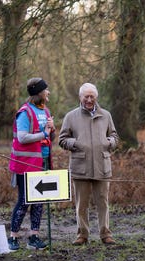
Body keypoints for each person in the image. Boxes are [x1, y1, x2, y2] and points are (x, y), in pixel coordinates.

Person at [59, 83, 119, 245]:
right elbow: (62, 139)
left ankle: (105, 234)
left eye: (92, 96)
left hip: (102, 165)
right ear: (80, 98)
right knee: (81, 204)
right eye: (86, 96)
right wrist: (75, 143)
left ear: (96, 97)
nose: (89, 99)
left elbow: (114, 136)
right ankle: (82, 235)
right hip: (81, 166)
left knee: (103, 202)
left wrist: (110, 142)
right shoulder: (70, 117)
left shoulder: (106, 115)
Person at [7, 77, 54, 251]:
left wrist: (51, 129)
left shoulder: (46, 111)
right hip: (25, 164)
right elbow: (22, 137)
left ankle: (34, 236)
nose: (48, 92)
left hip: (42, 162)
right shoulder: (24, 112)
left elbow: (49, 136)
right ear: (39, 93)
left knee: (39, 201)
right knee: (24, 201)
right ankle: (13, 237)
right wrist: (44, 134)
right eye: (46, 90)